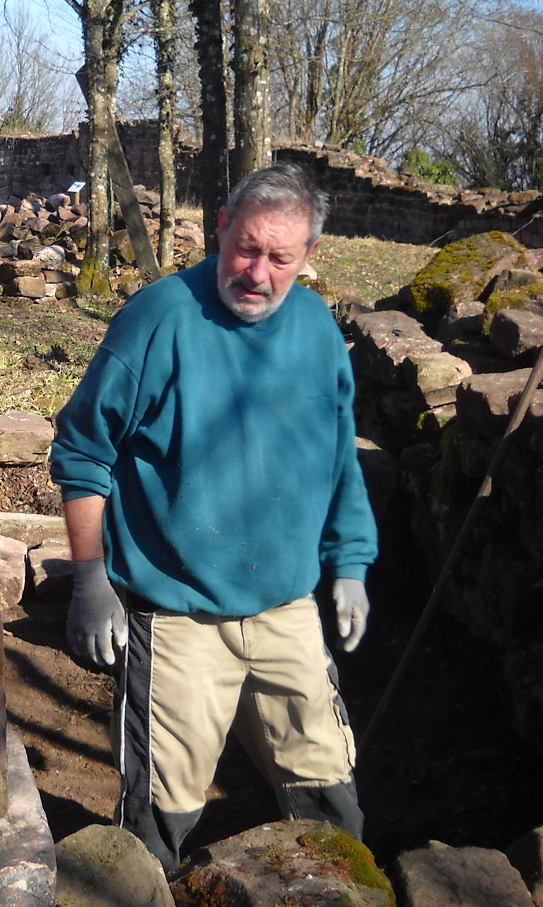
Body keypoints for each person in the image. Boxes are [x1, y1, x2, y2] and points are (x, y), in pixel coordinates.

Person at [48, 163, 378, 869]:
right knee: (159, 818)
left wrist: (349, 563)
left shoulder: (315, 329)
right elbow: (82, 452)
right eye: (246, 248)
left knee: (330, 800)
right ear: (221, 228)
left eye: (279, 258)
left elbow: (337, 454)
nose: (257, 273)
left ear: (310, 255)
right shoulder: (159, 319)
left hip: (286, 607)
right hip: (178, 615)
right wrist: (90, 578)